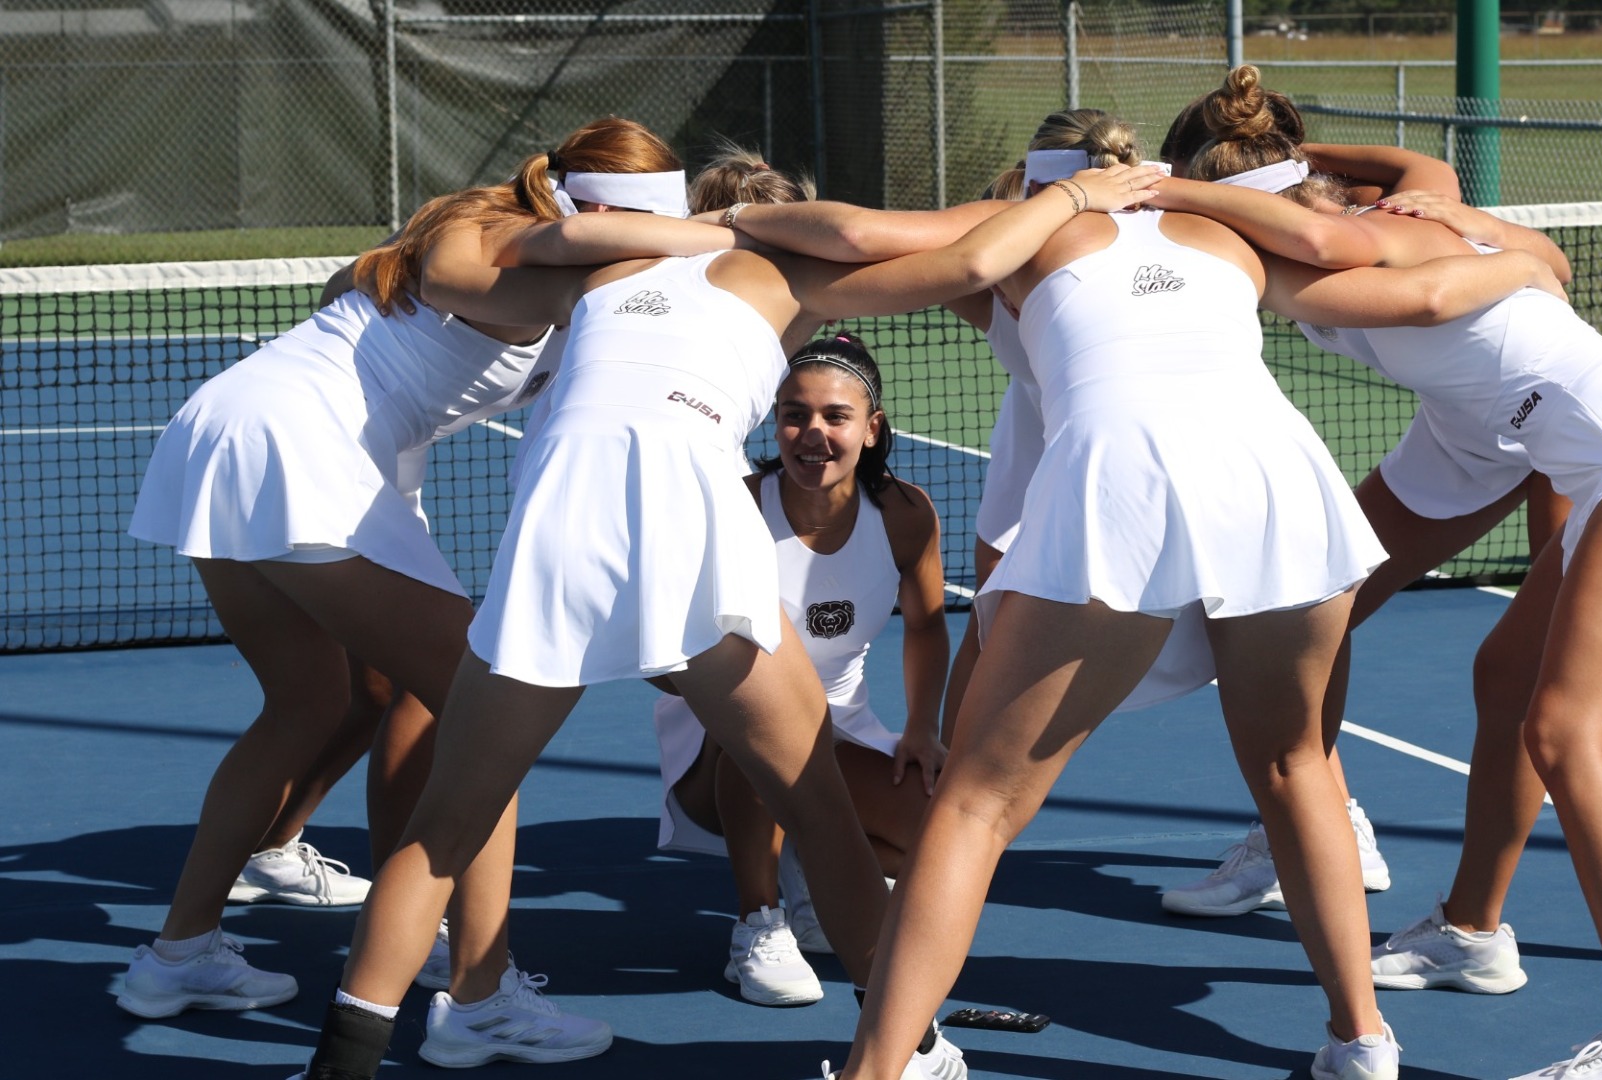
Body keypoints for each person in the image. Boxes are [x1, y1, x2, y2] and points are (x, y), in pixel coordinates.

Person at [722, 108, 1566, 1080]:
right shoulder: (1230, 229)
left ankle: (877, 1072)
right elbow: (1394, 250)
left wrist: (724, 228)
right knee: (1299, 769)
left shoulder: (1034, 227)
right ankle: (1362, 1041)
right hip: (1276, 477)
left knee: (975, 807)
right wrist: (1525, 255)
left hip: (1122, 480)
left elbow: (862, 239)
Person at [287, 159, 1165, 1080]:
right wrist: (1071, 196)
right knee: (820, 813)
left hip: (558, 515)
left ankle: (339, 1070)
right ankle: (908, 1051)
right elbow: (966, 258)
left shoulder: (602, 269)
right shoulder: (794, 273)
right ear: (793, 221)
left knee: (444, 827)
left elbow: (446, 267)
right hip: (686, 509)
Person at [1150, 63, 1602, 1079]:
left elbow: (1355, 247)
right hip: (1585, 450)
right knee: (1503, 678)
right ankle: (1467, 932)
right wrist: (1295, 157)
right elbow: (1423, 168)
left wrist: (1166, 190)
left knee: (1566, 728)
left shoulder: (1345, 244)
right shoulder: (1399, 209)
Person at [121, 117, 737, 1068]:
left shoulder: (561, 282)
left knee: (312, 703)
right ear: (616, 210)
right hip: (293, 447)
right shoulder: (487, 241)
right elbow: (567, 247)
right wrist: (735, 233)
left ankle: (178, 955)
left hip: (237, 434)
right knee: (490, 702)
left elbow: (379, 359)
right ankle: (480, 994)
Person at [653, 334, 948, 1007]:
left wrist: (923, 728)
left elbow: (928, 625)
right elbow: (660, 658)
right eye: (794, 414)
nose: (812, 432)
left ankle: (808, 875)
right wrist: (714, 679)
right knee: (766, 734)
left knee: (939, 831)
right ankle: (758, 924)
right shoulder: (735, 511)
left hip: (842, 732)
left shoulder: (906, 516)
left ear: (872, 429)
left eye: (835, 417)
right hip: (719, 749)